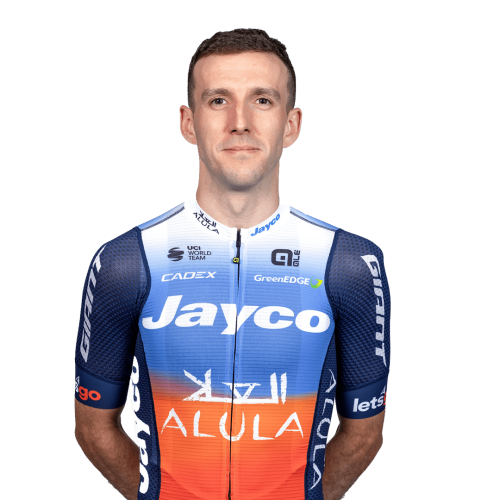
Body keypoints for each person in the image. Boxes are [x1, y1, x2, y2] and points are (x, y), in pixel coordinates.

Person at [74, 28, 390, 500]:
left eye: (262, 100)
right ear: (187, 122)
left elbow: (364, 432)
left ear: (291, 124)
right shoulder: (126, 261)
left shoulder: (348, 263)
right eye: (218, 100)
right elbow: (93, 426)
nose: (239, 122)